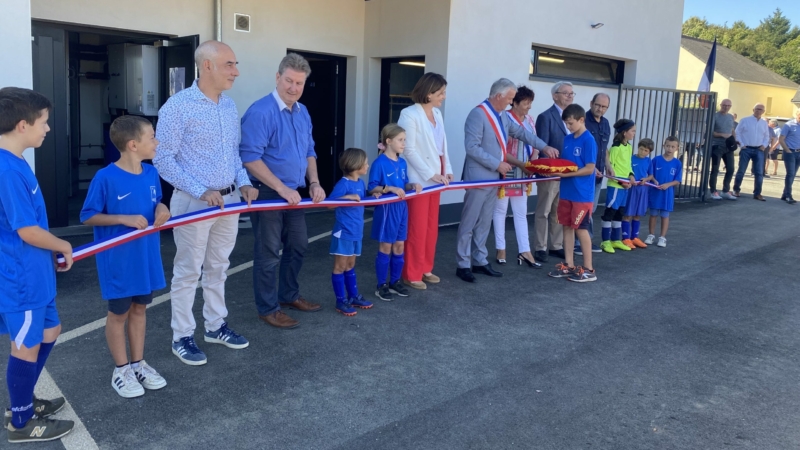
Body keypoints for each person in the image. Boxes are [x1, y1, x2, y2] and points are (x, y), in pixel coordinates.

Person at [154, 41, 257, 365]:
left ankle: (215, 326)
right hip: (194, 202)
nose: (236, 71)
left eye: (235, 64)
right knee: (187, 272)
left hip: (229, 201)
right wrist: (200, 190)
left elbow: (233, 155)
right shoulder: (178, 106)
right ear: (207, 65)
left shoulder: (229, 106)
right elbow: (162, 158)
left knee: (219, 267)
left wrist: (243, 182)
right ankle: (182, 336)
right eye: (229, 64)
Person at [0, 87, 74, 442]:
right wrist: (62, 244)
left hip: (36, 270)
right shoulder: (7, 170)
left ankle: (22, 399)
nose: (47, 129)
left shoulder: (16, 162)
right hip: (21, 276)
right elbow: (27, 230)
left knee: (49, 332)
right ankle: (20, 421)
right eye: (43, 122)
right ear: (22, 124)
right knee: (25, 345)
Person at [80, 115, 170, 398]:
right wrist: (123, 218)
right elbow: (87, 216)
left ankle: (138, 363)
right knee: (118, 313)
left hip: (146, 258)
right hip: (119, 261)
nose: (157, 142)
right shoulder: (105, 177)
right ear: (133, 144)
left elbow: (157, 203)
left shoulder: (151, 173)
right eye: (152, 137)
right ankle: (121, 369)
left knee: (140, 309)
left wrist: (162, 209)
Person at [240, 53, 326, 329]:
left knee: (298, 245)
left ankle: (288, 295)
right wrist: (280, 188)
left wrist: (314, 182)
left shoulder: (303, 112)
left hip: (294, 192)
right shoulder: (261, 112)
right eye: (289, 80)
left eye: (299, 83)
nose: (293, 88)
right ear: (278, 78)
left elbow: (310, 152)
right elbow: (250, 157)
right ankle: (268, 308)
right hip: (267, 192)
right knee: (268, 253)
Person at [456, 78, 556, 283]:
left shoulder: (502, 116)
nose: (512, 102)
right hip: (478, 177)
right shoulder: (478, 114)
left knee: (484, 222)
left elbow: (521, 133)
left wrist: (544, 146)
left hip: (493, 178)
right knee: (469, 221)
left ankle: (479, 260)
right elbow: (472, 147)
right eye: (510, 98)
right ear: (499, 96)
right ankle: (463, 263)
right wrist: (497, 164)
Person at [397, 73, 453, 290]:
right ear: (429, 94)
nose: (443, 97)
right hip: (419, 179)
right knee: (417, 227)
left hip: (436, 176)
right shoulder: (408, 114)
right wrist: (431, 173)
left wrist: (447, 170)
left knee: (431, 227)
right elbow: (408, 150)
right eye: (440, 93)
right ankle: (411, 273)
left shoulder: (437, 113)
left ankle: (425, 268)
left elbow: (442, 146)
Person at [368, 124, 421, 301]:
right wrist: (388, 188)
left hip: (401, 208)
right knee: (386, 246)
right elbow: (371, 187)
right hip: (386, 210)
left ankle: (395, 281)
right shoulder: (379, 163)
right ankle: (381, 285)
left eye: (404, 140)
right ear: (388, 141)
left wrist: (412, 185)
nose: (403, 143)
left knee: (400, 245)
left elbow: (404, 183)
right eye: (400, 140)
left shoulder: (402, 162)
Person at [546, 104, 597, 283]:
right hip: (567, 191)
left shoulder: (588, 140)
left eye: (571, 123)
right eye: (567, 124)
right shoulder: (567, 139)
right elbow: (566, 163)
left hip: (582, 194)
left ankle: (589, 269)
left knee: (581, 229)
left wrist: (567, 174)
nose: (568, 127)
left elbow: (590, 168)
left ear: (581, 120)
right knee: (567, 227)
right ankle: (569, 265)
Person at [493, 86, 541, 268]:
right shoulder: (504, 118)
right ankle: (500, 248)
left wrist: (534, 160)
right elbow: (500, 148)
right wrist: (523, 164)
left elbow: (534, 142)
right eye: (525, 102)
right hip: (508, 169)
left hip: (524, 170)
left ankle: (525, 250)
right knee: (500, 211)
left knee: (521, 212)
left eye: (530, 102)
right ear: (514, 102)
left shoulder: (530, 119)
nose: (529, 106)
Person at [328, 148, 375, 316]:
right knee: (340, 266)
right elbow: (329, 204)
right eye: (366, 162)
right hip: (344, 232)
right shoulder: (343, 184)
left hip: (356, 232)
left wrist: (375, 194)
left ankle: (353, 296)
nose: (368, 165)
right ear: (356, 165)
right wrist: (346, 198)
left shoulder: (360, 183)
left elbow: (362, 199)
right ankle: (341, 300)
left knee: (351, 265)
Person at [533, 81, 573, 263]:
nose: (570, 96)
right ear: (554, 95)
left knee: (558, 211)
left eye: (572, 94)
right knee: (544, 210)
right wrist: (545, 170)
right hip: (549, 173)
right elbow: (542, 145)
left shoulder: (573, 117)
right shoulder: (545, 117)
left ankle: (556, 245)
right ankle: (540, 247)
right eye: (566, 93)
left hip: (566, 174)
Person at [576, 93, 611, 255]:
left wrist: (608, 166)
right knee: (582, 208)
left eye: (604, 107)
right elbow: (579, 149)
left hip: (598, 176)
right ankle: (580, 242)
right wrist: (590, 167)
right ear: (591, 103)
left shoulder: (606, 124)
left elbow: (604, 150)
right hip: (584, 175)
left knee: (592, 209)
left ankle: (585, 241)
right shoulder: (582, 121)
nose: (600, 109)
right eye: (598, 105)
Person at [600, 119, 637, 254]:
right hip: (616, 186)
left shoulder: (629, 147)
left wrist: (631, 175)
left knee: (620, 212)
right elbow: (611, 170)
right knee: (610, 212)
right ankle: (605, 241)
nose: (634, 133)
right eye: (632, 131)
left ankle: (616, 240)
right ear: (624, 132)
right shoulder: (615, 148)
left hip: (625, 186)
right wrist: (622, 182)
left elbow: (628, 165)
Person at [645, 137, 683, 248]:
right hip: (655, 192)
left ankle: (662, 237)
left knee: (665, 215)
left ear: (677, 148)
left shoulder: (677, 163)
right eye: (668, 146)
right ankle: (651, 235)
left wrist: (667, 185)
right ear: (663, 146)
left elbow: (677, 180)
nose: (669, 149)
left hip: (667, 193)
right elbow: (650, 175)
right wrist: (654, 181)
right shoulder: (656, 160)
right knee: (653, 214)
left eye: (672, 146)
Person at [621, 138, 656, 249]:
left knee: (637, 214)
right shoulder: (631, 159)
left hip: (643, 190)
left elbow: (651, 175)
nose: (643, 152)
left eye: (646, 151)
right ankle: (625, 238)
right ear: (638, 148)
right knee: (628, 214)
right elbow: (626, 171)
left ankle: (634, 238)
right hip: (632, 189)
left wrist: (645, 180)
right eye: (641, 149)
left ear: (649, 152)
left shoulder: (648, 161)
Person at [732, 103, 770, 201]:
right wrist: (742, 144)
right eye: (757, 109)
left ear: (763, 112)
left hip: (759, 150)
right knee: (741, 171)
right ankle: (736, 190)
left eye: (761, 109)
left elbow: (766, 136)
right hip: (746, 149)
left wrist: (764, 146)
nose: (758, 111)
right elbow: (737, 132)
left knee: (759, 172)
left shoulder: (764, 123)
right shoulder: (745, 120)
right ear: (753, 109)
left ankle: (757, 193)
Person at [709, 99, 737, 200]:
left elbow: (732, 130)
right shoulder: (715, 116)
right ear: (720, 105)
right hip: (717, 146)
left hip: (728, 147)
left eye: (728, 105)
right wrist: (722, 135)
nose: (726, 107)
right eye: (724, 105)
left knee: (731, 169)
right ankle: (713, 191)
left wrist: (734, 140)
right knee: (715, 169)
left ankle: (725, 190)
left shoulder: (730, 117)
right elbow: (711, 132)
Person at [779, 110, 800, 204]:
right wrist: (787, 150)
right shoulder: (789, 125)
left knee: (793, 174)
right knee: (790, 174)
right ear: (797, 114)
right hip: (790, 152)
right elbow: (781, 139)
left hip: (799, 153)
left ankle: (784, 194)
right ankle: (788, 195)